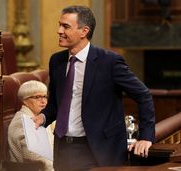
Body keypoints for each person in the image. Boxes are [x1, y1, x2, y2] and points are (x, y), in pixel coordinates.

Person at [35, 5, 156, 171]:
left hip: (100, 151)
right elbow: (56, 104)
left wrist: (146, 137)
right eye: (59, 25)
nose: (59, 30)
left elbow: (144, 95)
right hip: (64, 149)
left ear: (84, 31)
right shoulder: (56, 61)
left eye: (66, 26)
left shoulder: (110, 62)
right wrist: (42, 118)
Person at [8, 80, 54, 171]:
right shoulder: (22, 121)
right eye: (37, 97)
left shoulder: (40, 116)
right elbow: (34, 157)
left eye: (45, 96)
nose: (43, 101)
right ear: (25, 101)